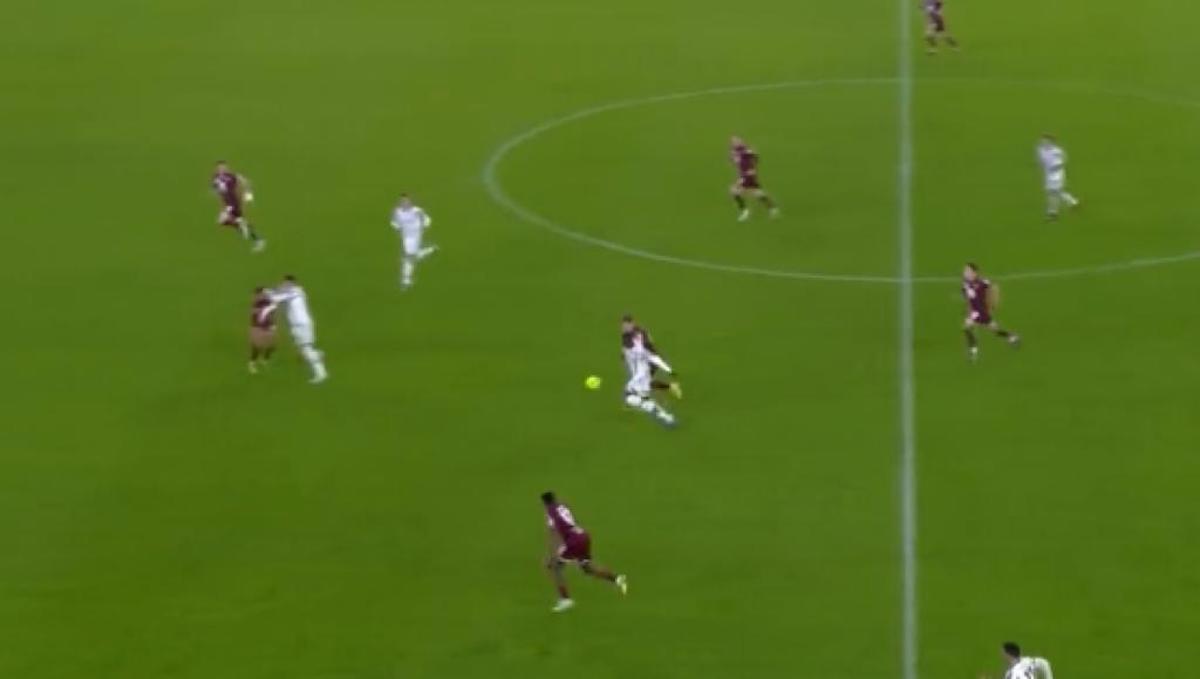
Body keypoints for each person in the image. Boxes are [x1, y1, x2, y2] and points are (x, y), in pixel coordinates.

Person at [541, 491, 627, 613]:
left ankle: (565, 600)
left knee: (554, 567)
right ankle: (617, 579)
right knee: (587, 568)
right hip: (582, 536)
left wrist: (552, 554)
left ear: (544, 503)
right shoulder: (562, 506)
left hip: (573, 541)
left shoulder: (550, 512)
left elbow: (554, 534)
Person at [268, 275, 328, 384]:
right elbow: (279, 298)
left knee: (306, 350)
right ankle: (318, 354)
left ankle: (321, 373)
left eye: (286, 284)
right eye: (283, 284)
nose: (284, 285)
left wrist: (269, 293)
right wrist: (274, 292)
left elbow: (276, 298)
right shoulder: (292, 292)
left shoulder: (295, 292)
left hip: (302, 324)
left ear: (292, 283)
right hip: (297, 325)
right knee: (302, 349)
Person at [962, 263, 1020, 361]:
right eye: (965, 271)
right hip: (976, 311)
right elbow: (968, 298)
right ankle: (1012, 337)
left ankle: (973, 351)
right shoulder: (966, 284)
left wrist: (994, 302)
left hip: (981, 312)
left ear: (974, 273)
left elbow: (994, 287)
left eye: (967, 271)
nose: (965, 272)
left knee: (968, 327)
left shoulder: (982, 282)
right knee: (995, 330)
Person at [621, 314, 682, 398]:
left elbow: (647, 345)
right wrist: (625, 354)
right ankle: (672, 387)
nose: (625, 328)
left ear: (632, 323)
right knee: (646, 383)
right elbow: (627, 347)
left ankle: (671, 387)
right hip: (642, 359)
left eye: (627, 325)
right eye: (624, 326)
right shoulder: (626, 334)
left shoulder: (640, 332)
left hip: (650, 360)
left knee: (645, 383)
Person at [211, 161, 266, 252]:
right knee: (238, 222)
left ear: (226, 168)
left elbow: (245, 181)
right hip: (227, 203)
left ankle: (240, 225)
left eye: (223, 168)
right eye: (219, 168)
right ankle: (258, 240)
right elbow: (216, 189)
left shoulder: (231, 176)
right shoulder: (216, 178)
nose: (222, 169)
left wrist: (248, 194)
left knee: (222, 220)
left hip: (232, 203)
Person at [390, 194, 438, 290]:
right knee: (412, 256)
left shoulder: (417, 211)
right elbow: (394, 222)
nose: (405, 203)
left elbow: (427, 220)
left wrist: (424, 226)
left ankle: (406, 280)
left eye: (406, 201)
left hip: (416, 236)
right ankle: (430, 250)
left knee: (409, 257)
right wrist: (398, 227)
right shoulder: (397, 212)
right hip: (406, 237)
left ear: (410, 202)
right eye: (403, 201)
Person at [729, 136, 779, 221]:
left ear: (741, 142)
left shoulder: (745, 150)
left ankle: (745, 212)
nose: (735, 143)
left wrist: (752, 168)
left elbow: (755, 156)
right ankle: (772, 208)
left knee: (734, 191)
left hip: (747, 175)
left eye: (736, 141)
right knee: (757, 193)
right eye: (733, 142)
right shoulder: (734, 152)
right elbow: (735, 161)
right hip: (745, 175)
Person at [1037, 135, 1080, 220]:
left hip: (1057, 174)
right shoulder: (1040, 150)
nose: (1044, 143)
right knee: (1055, 192)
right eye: (1043, 141)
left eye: (1046, 141)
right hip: (1048, 174)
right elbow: (1042, 161)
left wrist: (1054, 167)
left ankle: (1053, 213)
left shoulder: (1057, 151)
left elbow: (1063, 161)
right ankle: (1073, 202)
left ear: (1051, 142)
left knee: (1053, 192)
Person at [980, 641, 1054, 679]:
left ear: (1008, 655)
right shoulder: (1026, 661)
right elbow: (1044, 663)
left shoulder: (1013, 673)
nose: (1001, 655)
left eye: (1002, 652)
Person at [248, 287, 277, 374]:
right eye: (260, 294)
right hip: (257, 326)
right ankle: (252, 364)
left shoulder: (268, 301)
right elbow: (253, 312)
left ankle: (264, 360)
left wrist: (272, 324)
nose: (262, 296)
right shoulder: (256, 303)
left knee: (272, 345)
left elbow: (272, 312)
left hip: (268, 325)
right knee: (257, 346)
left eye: (263, 294)